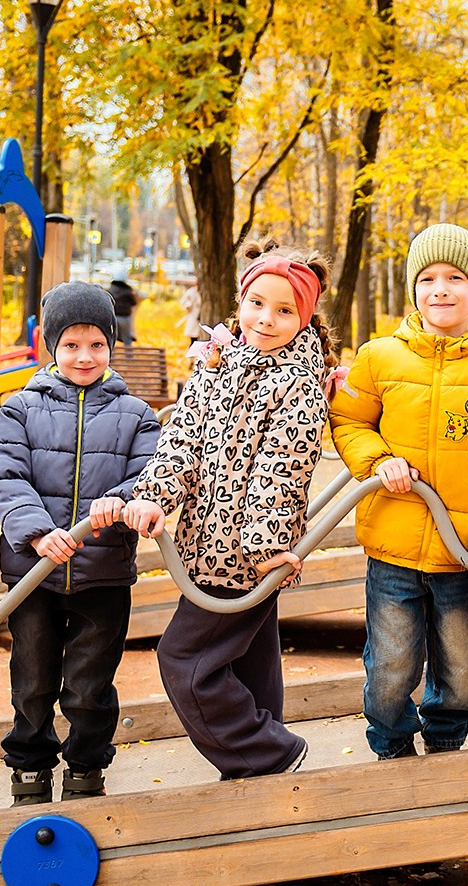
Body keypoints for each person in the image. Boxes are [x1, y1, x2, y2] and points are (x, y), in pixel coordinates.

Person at [123, 246, 333, 778]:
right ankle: (263, 775)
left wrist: (264, 549)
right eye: (257, 303)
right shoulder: (216, 367)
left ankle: (267, 754)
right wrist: (154, 495)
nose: (267, 319)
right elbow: (182, 443)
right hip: (203, 543)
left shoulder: (299, 382)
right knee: (249, 660)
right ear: (240, 300)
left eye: (285, 311)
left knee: (185, 662)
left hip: (242, 556)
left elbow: (282, 471)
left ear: (304, 318)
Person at [331, 223, 468, 758]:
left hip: (466, 550)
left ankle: (447, 745)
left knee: (462, 668)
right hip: (394, 542)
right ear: (412, 289)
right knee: (391, 664)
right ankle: (392, 744)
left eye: (454, 278)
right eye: (427, 278)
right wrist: (379, 462)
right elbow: (349, 422)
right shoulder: (380, 357)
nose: (440, 289)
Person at [0, 282, 161, 805]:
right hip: (34, 572)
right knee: (33, 678)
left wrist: (120, 501)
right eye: (70, 345)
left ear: (111, 345)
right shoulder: (18, 409)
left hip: (101, 570)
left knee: (89, 684)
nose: (84, 356)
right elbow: (7, 477)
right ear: (51, 347)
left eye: (96, 345)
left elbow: (152, 474)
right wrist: (38, 532)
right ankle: (30, 765)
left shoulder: (136, 414)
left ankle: (86, 766)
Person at [108, 278, 140, 345]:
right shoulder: (128, 292)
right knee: (127, 337)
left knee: (111, 336)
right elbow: (134, 303)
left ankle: (110, 353)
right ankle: (128, 353)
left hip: (113, 317)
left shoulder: (110, 291)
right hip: (125, 317)